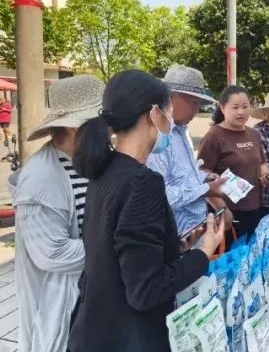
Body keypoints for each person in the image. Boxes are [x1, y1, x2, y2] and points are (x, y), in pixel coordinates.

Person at [67, 70, 224, 352]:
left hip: (96, 328)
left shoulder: (103, 170)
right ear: (154, 114)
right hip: (128, 336)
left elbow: (118, 251)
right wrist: (203, 251)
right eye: (168, 111)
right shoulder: (143, 182)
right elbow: (146, 291)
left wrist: (173, 246)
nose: (171, 121)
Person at [11, 75, 104, 352]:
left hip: (94, 307)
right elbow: (52, 253)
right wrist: (119, 246)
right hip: (63, 317)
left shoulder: (90, 162)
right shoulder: (41, 178)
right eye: (101, 121)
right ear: (75, 127)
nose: (109, 128)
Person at [145, 65, 228, 237]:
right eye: (193, 102)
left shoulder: (181, 131)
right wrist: (206, 189)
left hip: (193, 233)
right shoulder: (159, 138)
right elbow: (160, 194)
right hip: (176, 238)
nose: (197, 110)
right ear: (170, 98)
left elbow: (181, 174)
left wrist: (203, 178)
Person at [197, 85, 269, 244]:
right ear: (222, 108)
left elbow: (262, 162)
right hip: (229, 214)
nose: (241, 112)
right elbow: (201, 176)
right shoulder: (214, 137)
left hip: (254, 208)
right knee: (231, 255)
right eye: (235, 107)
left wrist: (265, 173)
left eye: (245, 107)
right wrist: (222, 209)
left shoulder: (254, 134)